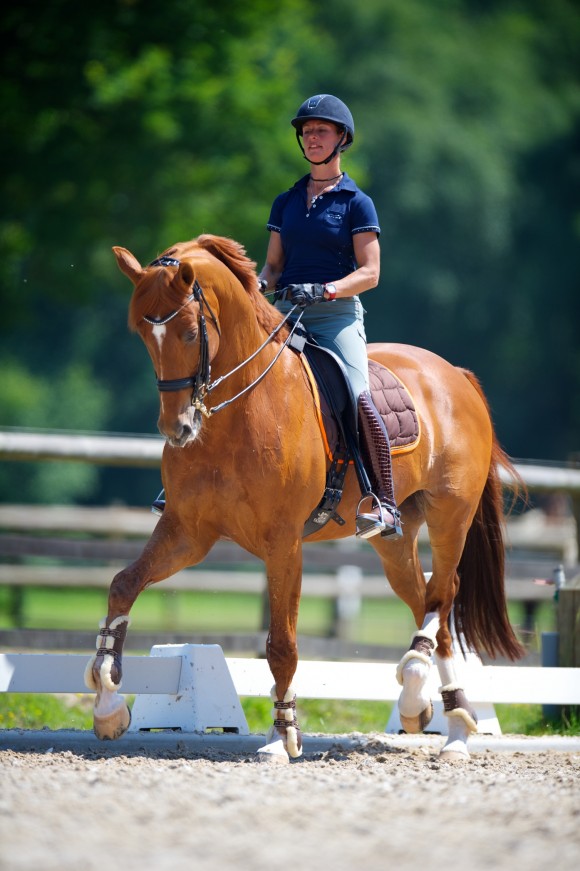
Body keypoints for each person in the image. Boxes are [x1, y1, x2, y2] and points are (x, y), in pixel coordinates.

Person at [258, 94, 402, 539]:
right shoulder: (285, 201)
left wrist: (328, 289)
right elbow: (273, 267)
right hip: (286, 312)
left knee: (359, 393)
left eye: (321, 130)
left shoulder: (358, 203)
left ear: (342, 138)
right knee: (230, 371)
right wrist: (256, 287)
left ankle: (384, 503)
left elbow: (372, 273)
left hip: (335, 316)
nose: (311, 137)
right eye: (306, 131)